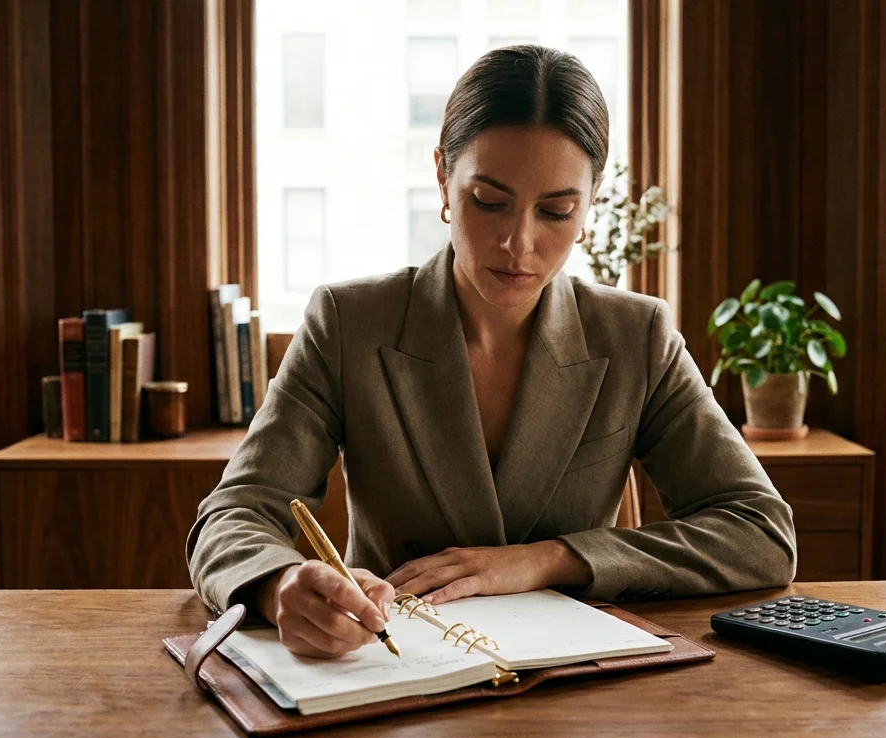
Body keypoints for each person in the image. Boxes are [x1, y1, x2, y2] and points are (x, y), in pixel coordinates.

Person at [187, 45, 796, 658]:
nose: (518, 242)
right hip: (388, 673)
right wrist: (280, 585)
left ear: (591, 203)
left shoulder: (637, 336)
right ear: (442, 180)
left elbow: (760, 533)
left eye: (556, 210)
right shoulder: (349, 324)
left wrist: (546, 561)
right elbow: (234, 514)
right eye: (489, 202)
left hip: (578, 684)